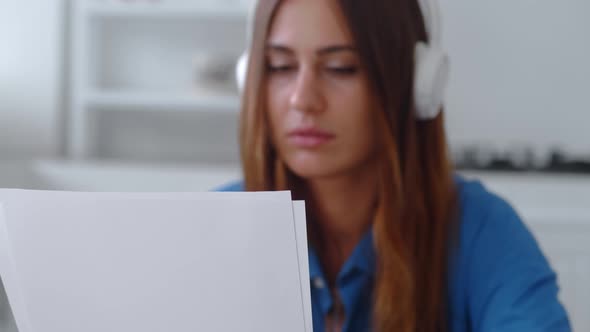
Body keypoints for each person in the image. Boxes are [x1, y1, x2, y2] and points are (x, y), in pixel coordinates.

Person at [220, 0, 571, 331]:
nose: (302, 99)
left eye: (340, 68)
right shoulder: (212, 228)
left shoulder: (482, 231)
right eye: (280, 67)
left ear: (415, 82)